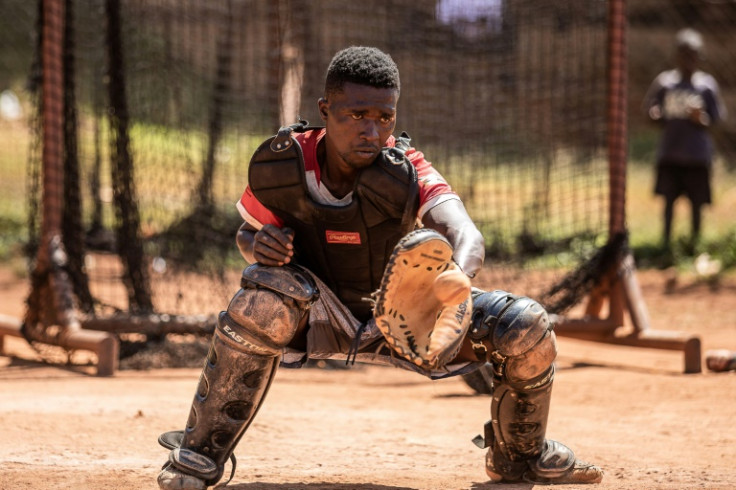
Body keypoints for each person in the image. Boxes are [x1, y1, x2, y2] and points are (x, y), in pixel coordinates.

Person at [155, 46, 603, 489]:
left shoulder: (406, 168)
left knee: (527, 327)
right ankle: (197, 455)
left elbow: (467, 236)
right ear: (325, 110)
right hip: (315, 313)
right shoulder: (283, 165)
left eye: (384, 117)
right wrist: (260, 245)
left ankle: (521, 457)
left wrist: (456, 284)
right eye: (357, 114)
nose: (372, 130)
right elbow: (245, 234)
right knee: (257, 301)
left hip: (410, 322)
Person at [643, 28, 727, 252]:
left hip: (697, 155)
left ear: (700, 57)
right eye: (683, 53)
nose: (688, 59)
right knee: (668, 201)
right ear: (676, 55)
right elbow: (650, 110)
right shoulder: (665, 83)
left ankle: (694, 245)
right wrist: (654, 115)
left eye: (693, 54)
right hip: (670, 152)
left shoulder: (706, 86)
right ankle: (666, 245)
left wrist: (702, 119)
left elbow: (717, 119)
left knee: (696, 203)